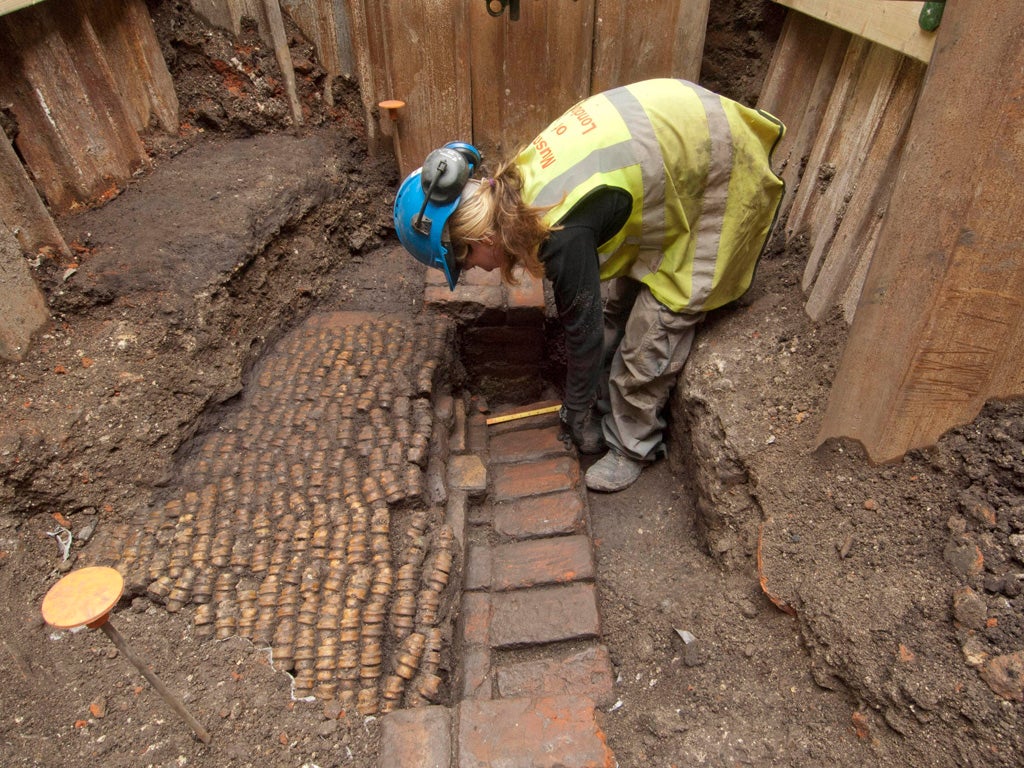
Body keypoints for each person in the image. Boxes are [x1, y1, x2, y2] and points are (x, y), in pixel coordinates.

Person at [393, 78, 785, 492]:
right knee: (618, 308)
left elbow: (583, 333)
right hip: (676, 142)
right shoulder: (519, 180)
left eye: (468, 261)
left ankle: (632, 447)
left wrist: (573, 410)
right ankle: (604, 405)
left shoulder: (558, 233)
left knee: (648, 340)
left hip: (717, 166)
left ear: (479, 238)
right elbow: (590, 318)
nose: (481, 272)